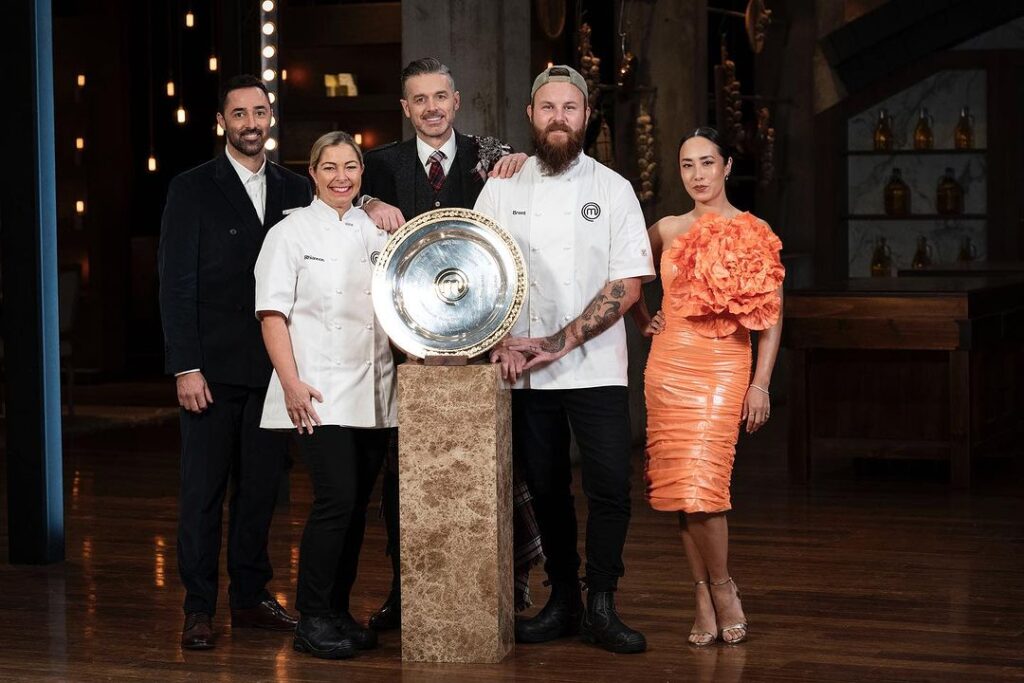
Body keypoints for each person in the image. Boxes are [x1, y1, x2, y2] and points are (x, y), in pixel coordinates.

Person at [356, 56, 542, 631]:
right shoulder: (378, 166)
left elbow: (532, 204)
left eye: (441, 97)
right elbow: (336, 199)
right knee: (403, 471)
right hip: (405, 345)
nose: (432, 108)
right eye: (420, 99)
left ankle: (507, 583)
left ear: (456, 101)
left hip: (483, 340)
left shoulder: (495, 158)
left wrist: (523, 163)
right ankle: (404, 590)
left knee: (499, 466)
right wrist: (366, 203)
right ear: (406, 108)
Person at [475, 65, 655, 654]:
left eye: (570, 108)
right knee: (547, 489)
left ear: (586, 116)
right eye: (547, 107)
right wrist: (499, 340)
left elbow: (626, 286)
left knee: (609, 487)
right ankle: (564, 602)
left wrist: (555, 343)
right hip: (522, 373)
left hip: (597, 368)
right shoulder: (502, 186)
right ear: (530, 115)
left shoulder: (613, 188)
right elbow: (479, 270)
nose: (558, 117)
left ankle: (602, 601)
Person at [158, 74, 311, 650]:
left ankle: (249, 598)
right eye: (239, 114)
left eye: (260, 112)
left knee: (260, 492)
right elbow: (175, 285)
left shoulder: (298, 189)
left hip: (275, 372)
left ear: (272, 119)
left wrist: (369, 202)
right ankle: (198, 607)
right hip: (211, 373)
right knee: (203, 494)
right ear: (223, 121)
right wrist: (185, 366)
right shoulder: (191, 188)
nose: (251, 123)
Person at [630, 126, 784, 646]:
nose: (697, 174)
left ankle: (723, 588)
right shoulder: (667, 228)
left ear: (727, 167)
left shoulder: (755, 229)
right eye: (688, 165)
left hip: (724, 369)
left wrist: (760, 384)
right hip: (668, 368)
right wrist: (643, 319)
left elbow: (773, 317)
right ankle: (701, 592)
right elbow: (626, 276)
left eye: (707, 163)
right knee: (680, 489)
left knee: (706, 486)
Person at [255, 131, 396, 660]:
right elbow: (272, 315)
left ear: (362, 174)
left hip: (375, 390)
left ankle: (337, 611)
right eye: (330, 167)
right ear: (312, 173)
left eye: (351, 167)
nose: (341, 176)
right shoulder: (288, 234)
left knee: (357, 507)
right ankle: (312, 617)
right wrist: (290, 383)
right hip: (314, 389)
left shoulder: (378, 229)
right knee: (335, 501)